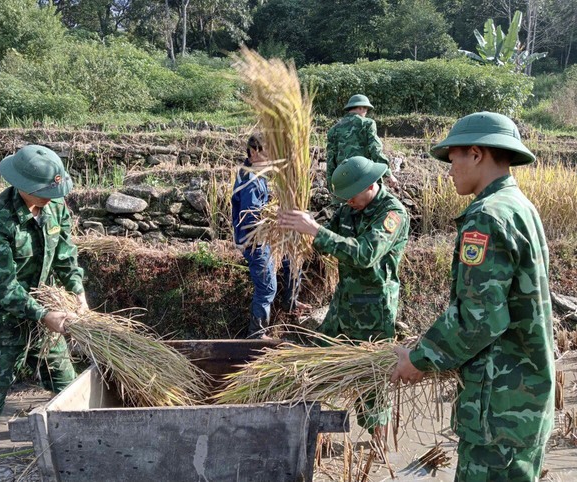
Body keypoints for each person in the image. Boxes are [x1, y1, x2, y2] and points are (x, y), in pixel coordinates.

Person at [391, 112, 554, 482]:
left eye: (453, 159)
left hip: (498, 412)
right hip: (523, 403)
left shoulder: (487, 216)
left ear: (477, 154)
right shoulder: (520, 207)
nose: (450, 170)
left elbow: (481, 317)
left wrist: (419, 359)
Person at [0, 145, 87, 480]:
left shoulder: (56, 210)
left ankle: (80, 465)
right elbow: (3, 287)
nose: (51, 196)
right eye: (46, 191)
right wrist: (44, 315)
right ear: (22, 185)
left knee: (69, 390)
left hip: (45, 324)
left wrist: (79, 296)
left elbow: (66, 260)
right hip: (0, 327)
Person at [278, 155, 409, 441]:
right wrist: (306, 228)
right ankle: (316, 436)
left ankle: (379, 447)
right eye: (344, 198)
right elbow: (329, 239)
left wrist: (316, 231)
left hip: (373, 313)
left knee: (370, 384)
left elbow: (364, 254)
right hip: (342, 305)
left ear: (371, 184)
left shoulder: (392, 214)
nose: (348, 202)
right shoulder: (349, 210)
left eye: (352, 196)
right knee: (315, 365)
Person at [231, 133, 309, 339]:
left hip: (266, 237)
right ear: (254, 152)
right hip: (255, 241)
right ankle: (257, 333)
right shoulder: (250, 180)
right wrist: (277, 217)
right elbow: (251, 218)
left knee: (293, 258)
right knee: (267, 288)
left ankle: (290, 303)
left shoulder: (258, 174)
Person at [326, 94, 398, 192]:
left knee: (348, 205)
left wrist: (331, 186)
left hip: (343, 179)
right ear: (360, 108)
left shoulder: (333, 129)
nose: (366, 113)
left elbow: (330, 160)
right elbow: (375, 150)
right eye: (366, 110)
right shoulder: (367, 123)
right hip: (364, 176)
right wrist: (388, 174)